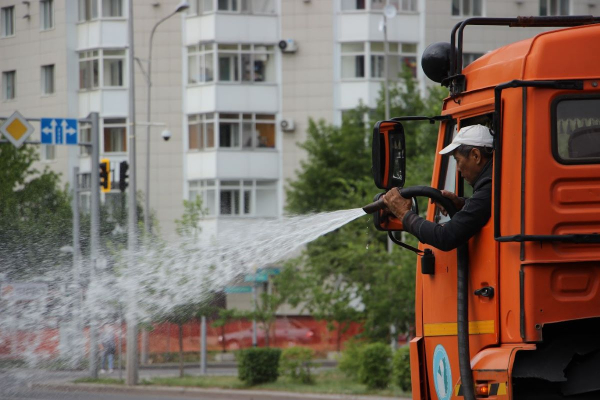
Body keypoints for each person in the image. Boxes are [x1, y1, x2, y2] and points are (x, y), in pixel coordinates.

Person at [382, 124, 494, 251]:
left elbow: (446, 237)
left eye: (458, 160)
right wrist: (462, 204)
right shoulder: (494, 183)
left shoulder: (489, 187)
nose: (457, 169)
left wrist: (404, 214)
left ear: (476, 156)